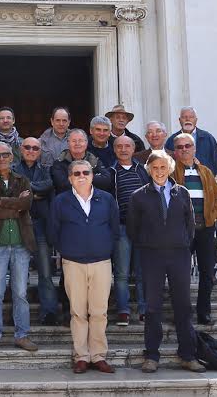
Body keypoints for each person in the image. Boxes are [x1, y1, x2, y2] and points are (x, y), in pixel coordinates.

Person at [126, 151, 205, 373]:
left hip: (179, 255)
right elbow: (132, 228)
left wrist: (182, 243)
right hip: (152, 256)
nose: (159, 172)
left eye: (163, 167)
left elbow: (190, 224)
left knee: (183, 306)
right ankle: (152, 355)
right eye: (154, 168)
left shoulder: (183, 193)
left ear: (169, 168)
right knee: (152, 307)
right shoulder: (138, 196)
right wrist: (148, 243)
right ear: (148, 170)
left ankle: (187, 355)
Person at [49, 159, 119, 374]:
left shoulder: (106, 199)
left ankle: (98, 356)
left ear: (92, 175)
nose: (81, 176)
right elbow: (53, 231)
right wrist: (68, 250)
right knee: (78, 312)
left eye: (85, 173)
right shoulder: (61, 201)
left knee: (99, 311)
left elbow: (115, 229)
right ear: (70, 178)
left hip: (101, 262)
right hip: (73, 263)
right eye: (76, 173)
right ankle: (81, 356)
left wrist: (104, 248)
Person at [0, 142, 38, 353]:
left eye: (5, 155)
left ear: (12, 157)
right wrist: (14, 205)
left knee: (20, 293)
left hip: (21, 244)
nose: (2, 158)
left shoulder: (23, 180)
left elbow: (26, 205)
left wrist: (2, 202)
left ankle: (22, 335)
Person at [171, 132, 217, 324]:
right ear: (175, 151)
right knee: (180, 273)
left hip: (205, 227)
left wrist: (214, 215)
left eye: (188, 146)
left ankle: (204, 312)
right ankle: (182, 313)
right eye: (180, 147)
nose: (184, 150)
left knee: (207, 272)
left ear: (194, 148)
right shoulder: (171, 172)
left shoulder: (206, 172)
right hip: (181, 229)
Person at [12, 136, 58, 326]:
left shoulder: (47, 170)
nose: (31, 151)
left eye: (35, 148)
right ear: (21, 149)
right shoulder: (13, 170)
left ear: (40, 152)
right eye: (27, 147)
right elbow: (14, 191)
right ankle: (18, 316)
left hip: (40, 225)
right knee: (18, 274)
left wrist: (27, 190)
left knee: (45, 272)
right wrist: (36, 194)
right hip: (18, 224)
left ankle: (49, 312)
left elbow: (49, 186)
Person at [107, 136, 149, 326]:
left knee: (142, 272)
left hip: (142, 228)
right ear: (114, 149)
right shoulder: (110, 172)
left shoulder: (143, 170)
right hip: (121, 227)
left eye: (127, 146)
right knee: (122, 273)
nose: (123, 149)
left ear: (133, 149)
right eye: (119, 146)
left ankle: (144, 310)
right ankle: (123, 311)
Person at [51, 129, 112, 193]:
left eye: (80, 141)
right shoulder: (59, 162)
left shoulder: (94, 160)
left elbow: (106, 180)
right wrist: (90, 178)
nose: (77, 144)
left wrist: (76, 177)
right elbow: (62, 184)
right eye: (74, 141)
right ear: (68, 143)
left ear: (86, 143)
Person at [165, 106, 217, 175]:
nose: (188, 119)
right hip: (179, 179)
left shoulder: (207, 138)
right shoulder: (172, 140)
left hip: (202, 179)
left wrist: (207, 178)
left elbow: (216, 163)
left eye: (191, 117)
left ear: (196, 120)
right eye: (184, 117)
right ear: (179, 120)